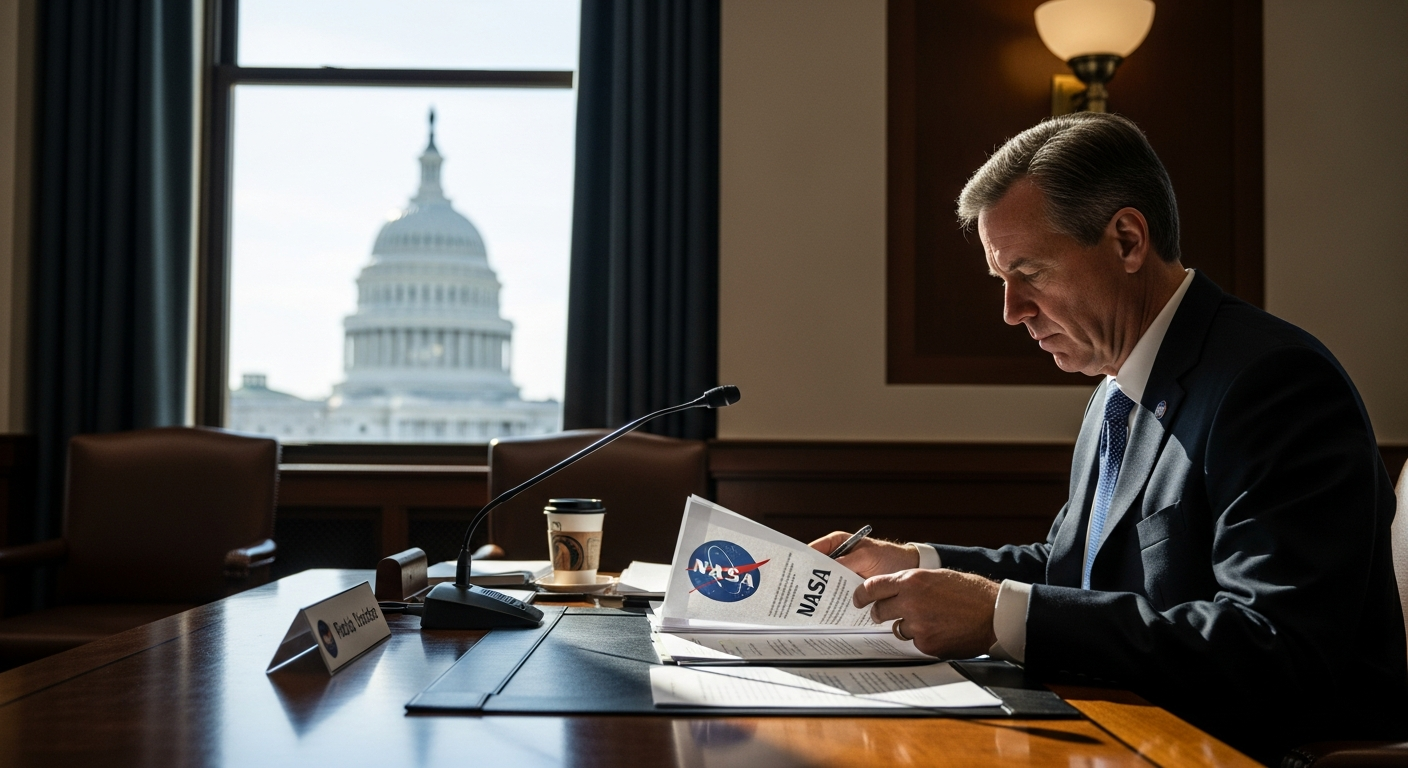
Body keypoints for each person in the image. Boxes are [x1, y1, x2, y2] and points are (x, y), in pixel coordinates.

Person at [811, 112, 1408, 762]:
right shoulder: (1115, 390)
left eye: (1030, 272)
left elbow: (1273, 649)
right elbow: (1077, 569)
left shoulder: (1275, 382)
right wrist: (920, 565)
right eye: (1000, 281)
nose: (1011, 311)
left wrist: (999, 615)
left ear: (1126, 240)